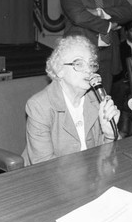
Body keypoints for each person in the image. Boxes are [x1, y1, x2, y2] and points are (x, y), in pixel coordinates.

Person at [22, 35, 121, 165]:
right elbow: (43, 165)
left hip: (90, 178)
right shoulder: (39, 106)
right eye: (78, 63)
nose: (88, 70)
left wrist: (110, 135)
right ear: (59, 70)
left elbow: (108, 159)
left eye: (91, 64)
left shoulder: (97, 99)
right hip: (46, 180)